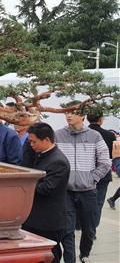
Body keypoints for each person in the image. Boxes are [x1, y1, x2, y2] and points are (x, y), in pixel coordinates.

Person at [56, 103, 111, 263]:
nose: (68, 116)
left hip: (88, 191)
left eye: (73, 113)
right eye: (66, 112)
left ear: (83, 116)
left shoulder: (95, 136)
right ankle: (70, 259)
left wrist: (92, 178)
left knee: (89, 228)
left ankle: (84, 253)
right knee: (67, 229)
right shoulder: (58, 135)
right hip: (65, 192)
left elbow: (105, 162)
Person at [22, 123, 70, 263]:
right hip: (34, 218)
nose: (31, 144)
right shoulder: (41, 154)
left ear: (47, 140)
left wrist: (25, 183)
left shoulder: (58, 161)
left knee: (50, 256)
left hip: (48, 221)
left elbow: (45, 188)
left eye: (33, 141)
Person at [86, 111, 116, 228]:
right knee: (98, 203)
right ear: (101, 119)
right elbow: (113, 156)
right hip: (103, 173)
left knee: (80, 200)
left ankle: (78, 224)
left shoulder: (82, 133)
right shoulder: (109, 135)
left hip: (85, 172)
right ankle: (92, 229)